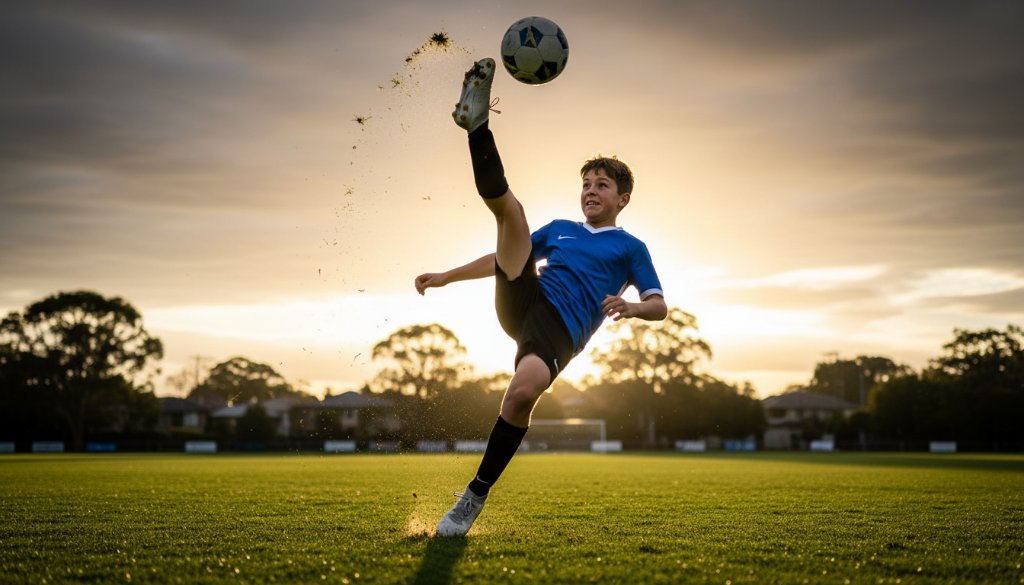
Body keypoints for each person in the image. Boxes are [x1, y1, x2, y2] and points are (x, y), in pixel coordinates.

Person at [415, 57, 667, 537]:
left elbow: (660, 305)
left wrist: (632, 307)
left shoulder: (631, 247)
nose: (591, 191)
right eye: (587, 184)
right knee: (511, 214)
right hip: (524, 298)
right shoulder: (562, 230)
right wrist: (446, 276)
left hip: (558, 330)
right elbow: (504, 257)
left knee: (522, 394)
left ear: (623, 199)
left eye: (602, 185)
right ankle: (477, 126)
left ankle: (474, 495)